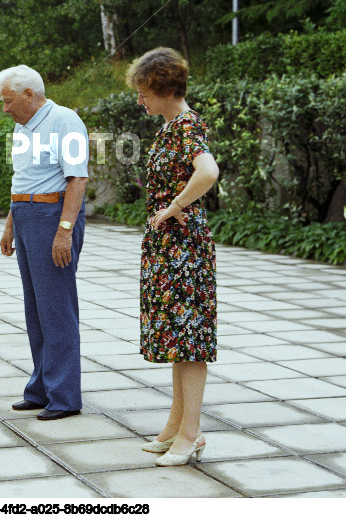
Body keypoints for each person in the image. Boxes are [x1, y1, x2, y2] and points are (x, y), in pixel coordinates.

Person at [126, 47, 219, 466]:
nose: (140, 99)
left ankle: (192, 434)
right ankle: (176, 425)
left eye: (144, 92)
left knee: (189, 341)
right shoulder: (169, 127)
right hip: (169, 247)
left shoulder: (186, 126)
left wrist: (175, 206)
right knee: (177, 339)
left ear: (163, 89)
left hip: (184, 247)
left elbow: (209, 172)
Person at [0, 65, 88, 420]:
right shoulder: (23, 127)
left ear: (29, 95)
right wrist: (10, 225)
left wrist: (64, 230)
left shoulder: (65, 121)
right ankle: (41, 387)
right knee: (35, 310)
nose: (4, 108)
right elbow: (23, 178)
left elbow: (77, 179)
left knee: (56, 309)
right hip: (26, 217)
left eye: (8, 101)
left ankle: (64, 396)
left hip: (52, 219)